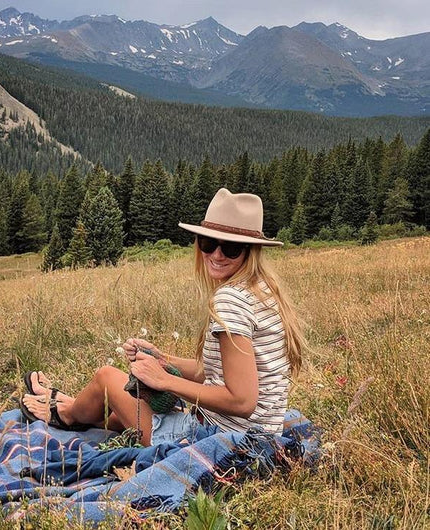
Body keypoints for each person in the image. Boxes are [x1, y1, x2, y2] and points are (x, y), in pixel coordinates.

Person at [22, 188, 304, 446]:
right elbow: (217, 374)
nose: (216, 255)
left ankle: (67, 414)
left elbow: (242, 400)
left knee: (106, 378)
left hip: (222, 440)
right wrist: (162, 360)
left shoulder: (230, 300)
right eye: (208, 243)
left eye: (230, 248)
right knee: (121, 415)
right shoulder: (263, 291)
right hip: (259, 434)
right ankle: (73, 406)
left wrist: (164, 380)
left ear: (250, 251)